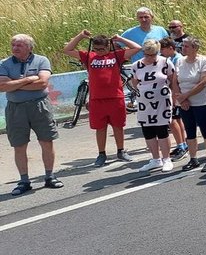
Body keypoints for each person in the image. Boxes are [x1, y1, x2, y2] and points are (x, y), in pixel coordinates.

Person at [62, 30, 141, 166]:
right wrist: (80, 36)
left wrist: (120, 39)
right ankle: (101, 154)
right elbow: (67, 49)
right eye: (96, 49)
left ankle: (121, 151)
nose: (99, 51)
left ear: (108, 47)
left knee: (118, 126)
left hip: (115, 98)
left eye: (102, 49)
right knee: (100, 128)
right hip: (97, 99)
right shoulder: (89, 56)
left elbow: (137, 48)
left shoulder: (116, 55)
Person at [1, 34, 63, 196]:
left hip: (40, 106)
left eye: (19, 45)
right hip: (16, 108)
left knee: (46, 141)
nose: (15, 48)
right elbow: (2, 87)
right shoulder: (4, 64)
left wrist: (14, 84)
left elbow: (42, 83)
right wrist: (29, 80)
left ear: (29, 47)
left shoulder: (41, 60)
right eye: (13, 45)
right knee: (19, 145)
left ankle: (50, 176)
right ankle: (24, 181)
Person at [172, 37, 206, 172]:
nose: (183, 48)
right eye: (183, 46)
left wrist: (186, 96)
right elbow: (174, 81)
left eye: (186, 46)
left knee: (204, 128)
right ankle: (193, 158)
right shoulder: (179, 61)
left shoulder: (204, 61)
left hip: (201, 101)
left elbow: (203, 82)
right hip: (184, 102)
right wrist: (181, 99)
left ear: (195, 48)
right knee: (189, 129)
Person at [131, 38, 175, 173]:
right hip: (145, 102)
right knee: (148, 130)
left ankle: (167, 159)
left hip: (162, 101)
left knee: (161, 129)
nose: (149, 57)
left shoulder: (165, 62)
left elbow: (173, 80)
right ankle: (155, 159)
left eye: (152, 54)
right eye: (147, 54)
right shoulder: (136, 65)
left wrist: (176, 97)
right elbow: (134, 82)